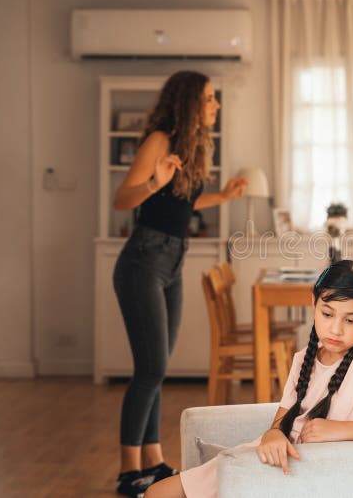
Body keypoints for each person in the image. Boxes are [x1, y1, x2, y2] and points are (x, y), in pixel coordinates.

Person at [145, 260, 353, 498]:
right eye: (327, 313)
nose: (336, 328)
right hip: (270, 460)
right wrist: (272, 435)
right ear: (313, 304)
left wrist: (338, 430)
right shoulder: (303, 358)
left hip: (299, 476)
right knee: (156, 494)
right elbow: (280, 423)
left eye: (351, 320)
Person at [112, 70, 248, 497]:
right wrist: (154, 182)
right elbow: (123, 198)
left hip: (171, 260)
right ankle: (128, 470)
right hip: (143, 260)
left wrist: (223, 197)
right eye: (209, 99)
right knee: (150, 368)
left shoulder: (191, 147)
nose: (215, 106)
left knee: (157, 368)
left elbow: (182, 202)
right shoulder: (159, 140)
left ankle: (152, 461)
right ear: (190, 102)